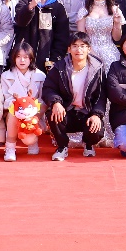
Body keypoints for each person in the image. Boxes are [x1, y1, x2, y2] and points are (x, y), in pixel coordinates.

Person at [43, 32, 108, 161]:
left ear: (89, 49)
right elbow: (48, 88)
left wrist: (97, 114)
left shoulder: (97, 69)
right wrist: (56, 102)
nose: (79, 50)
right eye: (75, 46)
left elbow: (101, 95)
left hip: (87, 112)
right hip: (67, 111)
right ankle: (62, 147)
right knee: (52, 113)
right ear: (69, 49)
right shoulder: (60, 68)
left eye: (83, 46)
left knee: (97, 129)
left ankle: (88, 144)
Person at [13, 0, 71, 73]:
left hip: (47, 61)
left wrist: (55, 59)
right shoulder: (25, 1)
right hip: (25, 57)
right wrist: (30, 7)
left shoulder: (58, 8)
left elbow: (62, 38)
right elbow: (19, 22)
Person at [0, 40, 46, 160]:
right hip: (14, 115)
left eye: (26, 57)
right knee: (13, 112)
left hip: (34, 116)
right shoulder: (6, 76)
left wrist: (30, 111)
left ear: (31, 58)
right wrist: (20, 107)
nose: (22, 60)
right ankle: (10, 148)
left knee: (29, 138)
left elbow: (43, 100)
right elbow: (5, 99)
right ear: (14, 58)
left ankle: (33, 142)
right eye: (18, 56)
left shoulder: (40, 76)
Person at [77, 0, 125, 65]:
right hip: (89, 54)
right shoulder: (84, 11)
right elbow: (81, 38)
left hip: (110, 53)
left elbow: (117, 38)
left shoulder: (114, 9)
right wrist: (91, 54)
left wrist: (117, 23)